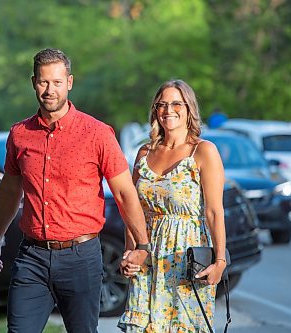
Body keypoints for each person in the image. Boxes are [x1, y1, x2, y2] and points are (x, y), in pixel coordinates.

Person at [0, 48, 149, 333]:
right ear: (33, 82)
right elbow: (10, 191)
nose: (50, 90)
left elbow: (124, 193)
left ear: (69, 82)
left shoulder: (97, 133)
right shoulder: (20, 135)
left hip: (81, 257)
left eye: (57, 82)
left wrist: (142, 245)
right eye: (43, 82)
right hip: (31, 257)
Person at [118, 79, 227, 332]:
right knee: (141, 326)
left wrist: (220, 261)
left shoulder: (203, 151)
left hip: (185, 258)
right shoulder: (144, 153)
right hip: (147, 257)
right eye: (162, 104)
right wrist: (129, 251)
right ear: (155, 110)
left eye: (177, 103)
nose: (169, 110)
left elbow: (214, 211)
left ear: (189, 109)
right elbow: (133, 209)